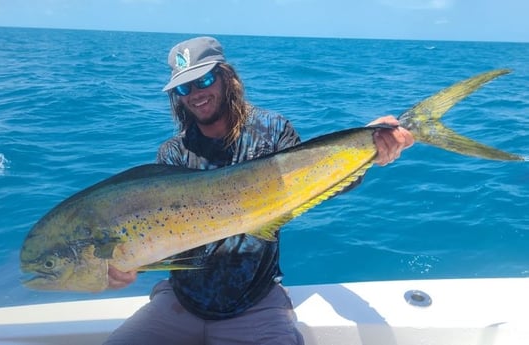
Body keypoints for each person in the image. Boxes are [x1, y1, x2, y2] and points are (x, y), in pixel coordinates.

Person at [104, 36, 414, 345]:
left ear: (227, 77)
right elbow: (161, 239)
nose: (196, 93)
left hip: (254, 303)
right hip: (182, 302)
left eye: (205, 80)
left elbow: (320, 182)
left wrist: (370, 148)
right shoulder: (172, 155)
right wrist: (128, 267)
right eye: (184, 88)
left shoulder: (272, 131)